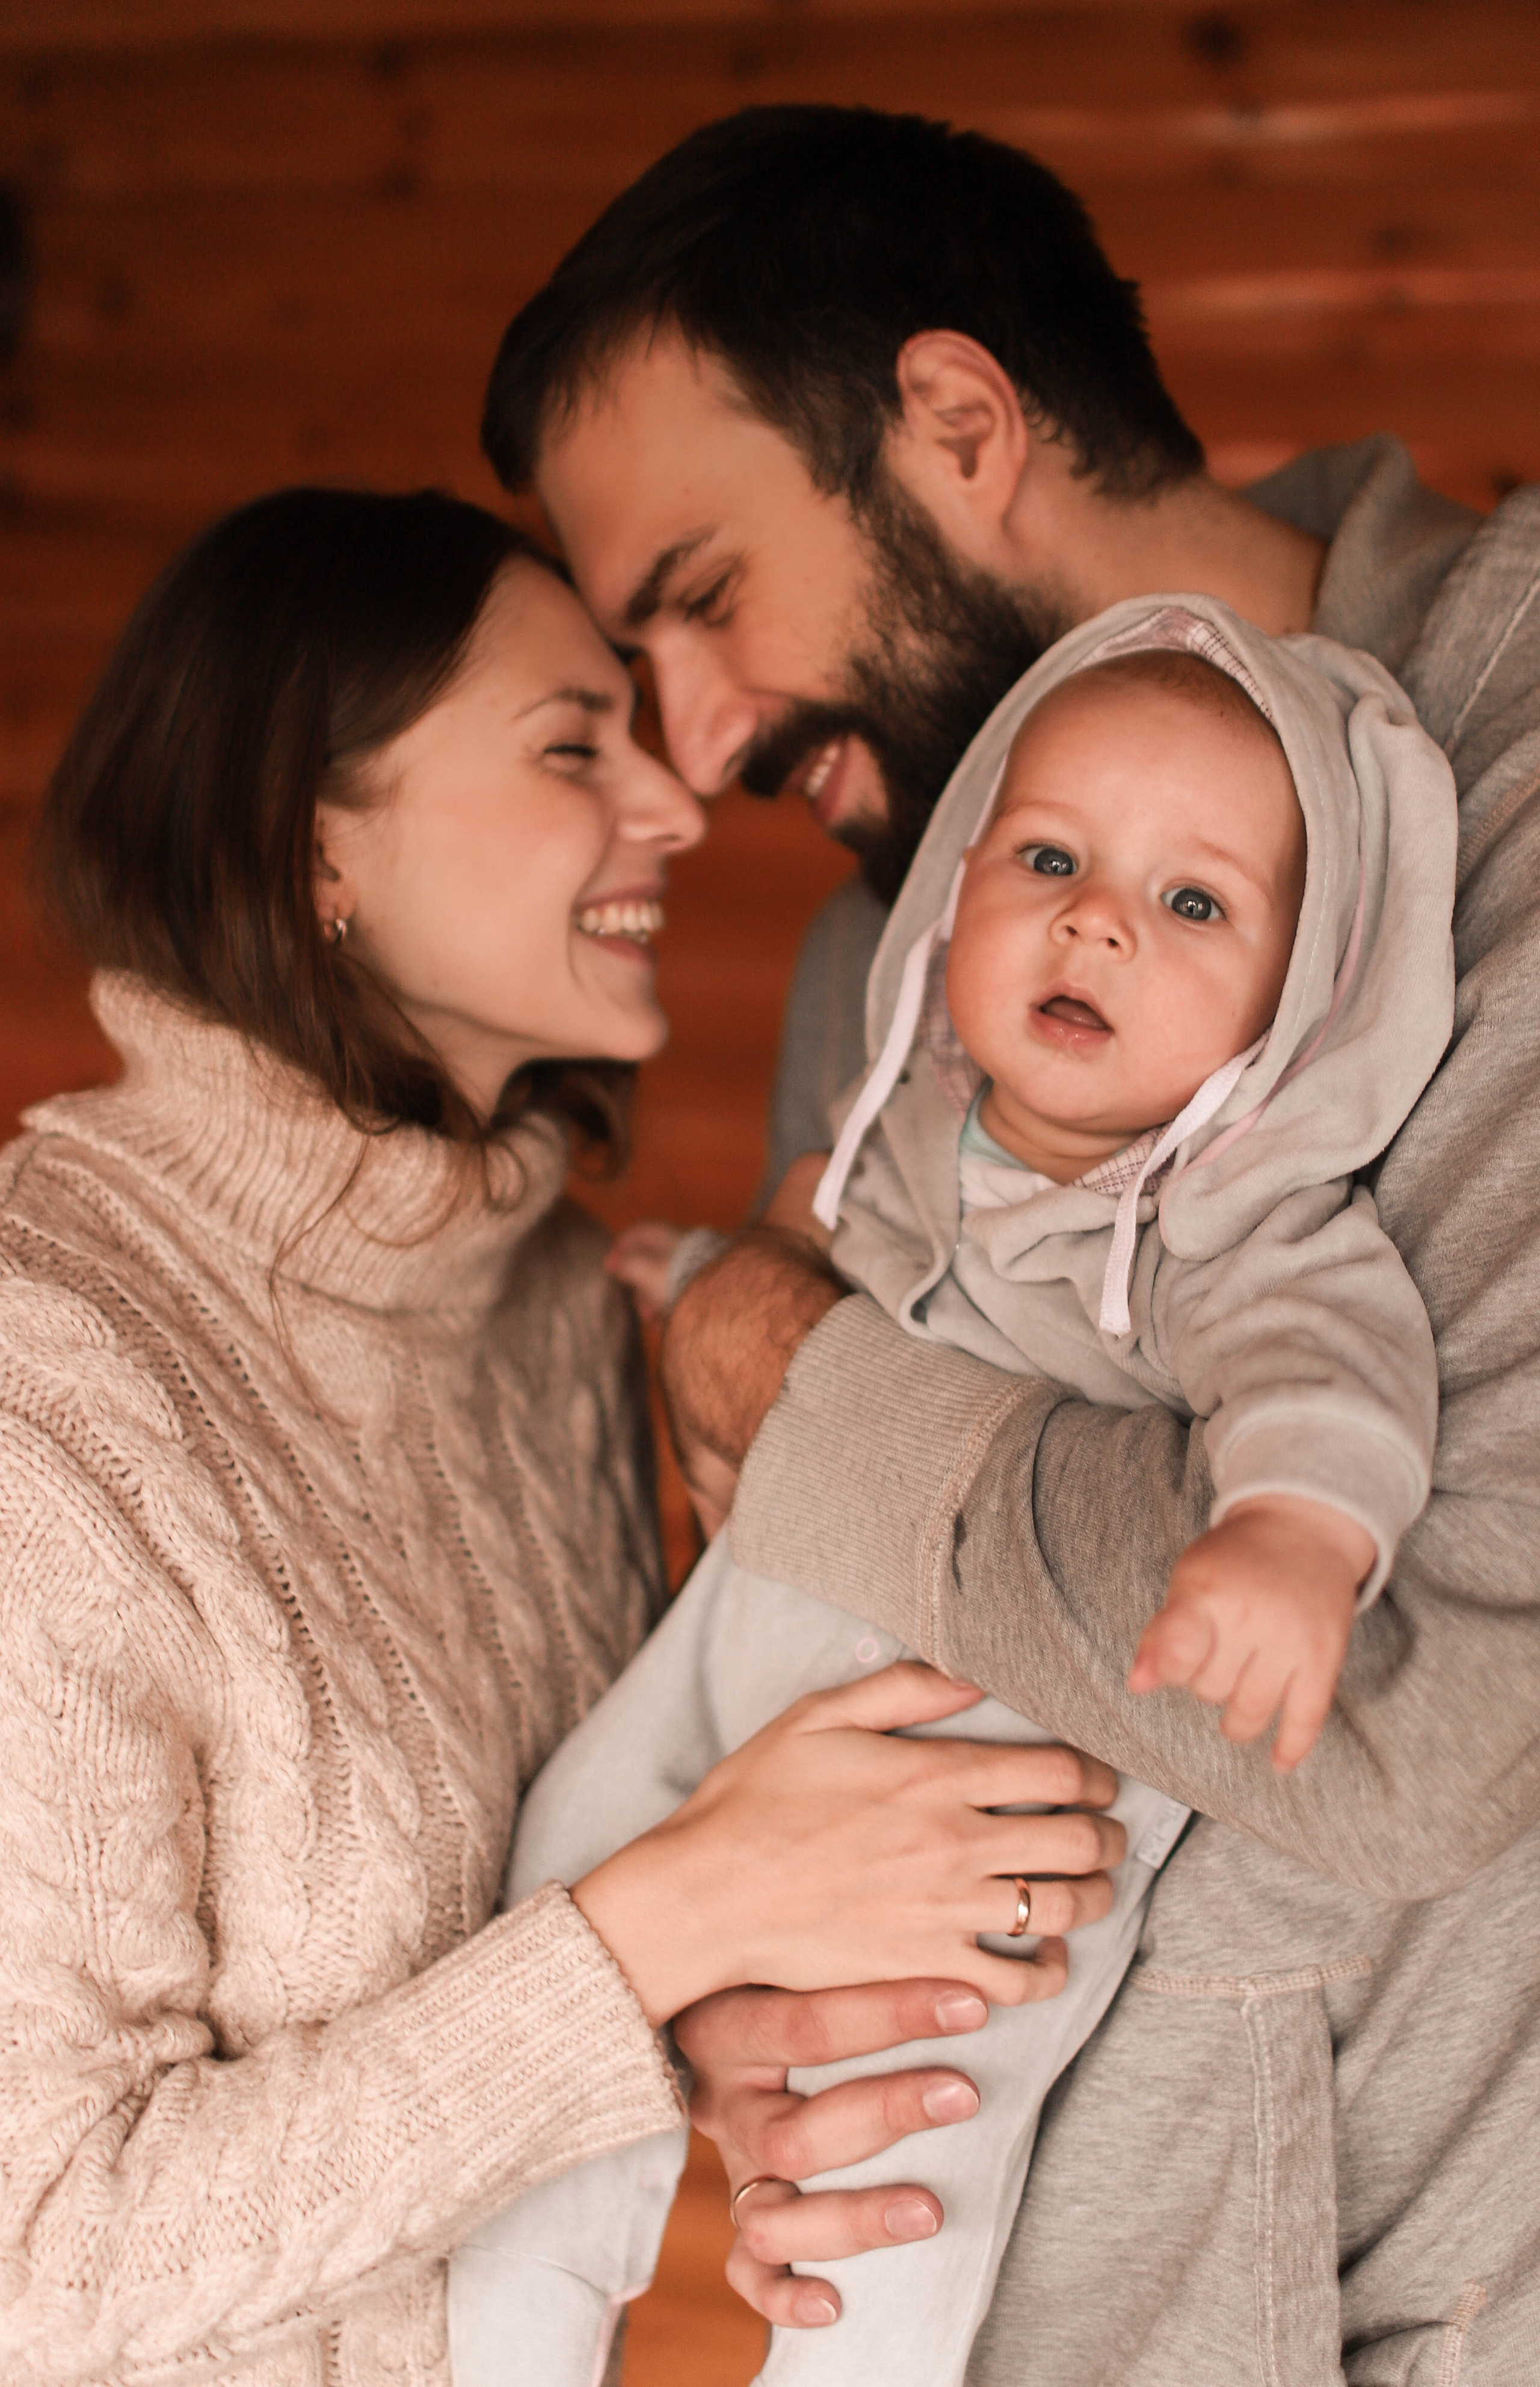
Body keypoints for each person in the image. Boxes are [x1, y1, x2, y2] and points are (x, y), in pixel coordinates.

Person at [481, 105, 1540, 2380]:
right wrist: (751, 2006)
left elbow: (1422, 1716)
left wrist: (783, 1367)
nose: (693, 743)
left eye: (701, 597)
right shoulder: (886, 991)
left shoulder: (1514, 758)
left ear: (960, 423)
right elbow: (838, 1658)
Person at [1, 484, 1130, 2387]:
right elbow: (38, 2257)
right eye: (569, 746)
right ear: (316, 844)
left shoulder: (556, 1317)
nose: (678, 803)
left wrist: (720, 2044)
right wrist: (669, 1924)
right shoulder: (43, 1390)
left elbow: (528, 1963)